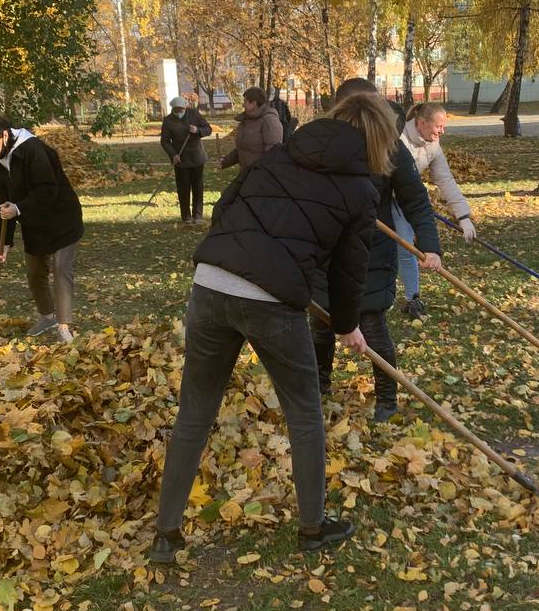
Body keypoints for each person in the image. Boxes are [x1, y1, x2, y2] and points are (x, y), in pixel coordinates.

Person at [150, 92, 398, 564]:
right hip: (270, 304)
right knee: (304, 412)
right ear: (378, 139)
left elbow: (224, 208)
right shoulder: (361, 189)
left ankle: (166, 534)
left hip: (210, 283)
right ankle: (313, 528)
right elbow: (350, 271)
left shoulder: (277, 156)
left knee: (194, 413)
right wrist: (348, 325)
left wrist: (235, 258)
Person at [309, 78, 441, 423]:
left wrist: (429, 246)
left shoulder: (390, 147)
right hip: (325, 249)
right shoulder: (321, 143)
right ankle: (319, 390)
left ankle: (386, 400)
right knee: (321, 323)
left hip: (372, 251)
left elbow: (416, 201)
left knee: (371, 323)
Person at [0, 114, 84, 344]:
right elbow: (1, 206)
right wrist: (3, 244)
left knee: (61, 268)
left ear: (4, 134)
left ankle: (64, 326)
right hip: (33, 223)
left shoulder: (33, 150)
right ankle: (48, 317)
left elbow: (48, 189)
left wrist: (18, 208)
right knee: (34, 273)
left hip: (62, 218)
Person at [394, 101, 475, 319]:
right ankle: (405, 297)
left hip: (408, 197)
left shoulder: (433, 145)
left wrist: (463, 216)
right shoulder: (398, 138)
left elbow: (445, 179)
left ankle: (412, 298)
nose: (442, 131)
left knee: (405, 244)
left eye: (443, 126)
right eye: (438, 126)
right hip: (387, 196)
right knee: (405, 243)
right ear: (421, 123)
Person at [160, 95, 212, 224]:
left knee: (198, 187)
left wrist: (197, 130)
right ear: (173, 109)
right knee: (183, 188)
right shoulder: (168, 121)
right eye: (177, 110)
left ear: (185, 108)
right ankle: (186, 217)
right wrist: (173, 155)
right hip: (180, 160)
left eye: (182, 109)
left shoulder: (194, 114)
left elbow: (208, 129)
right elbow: (165, 141)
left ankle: (198, 216)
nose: (179, 112)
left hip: (197, 157)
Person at [220, 86, 283, 172]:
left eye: (245, 102)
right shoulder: (246, 120)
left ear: (254, 104)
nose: (243, 105)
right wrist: (225, 161)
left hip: (260, 175)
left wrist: (259, 174)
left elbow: (272, 154)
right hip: (246, 173)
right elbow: (242, 149)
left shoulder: (269, 121)